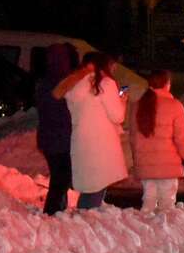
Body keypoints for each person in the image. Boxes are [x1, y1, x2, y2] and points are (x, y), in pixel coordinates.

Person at [52, 52, 129, 209]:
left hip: (81, 141)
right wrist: (122, 101)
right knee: (97, 186)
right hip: (102, 143)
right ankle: (86, 218)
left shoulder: (74, 84)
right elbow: (117, 116)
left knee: (90, 186)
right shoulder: (105, 83)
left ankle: (84, 216)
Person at [131, 69, 184, 212]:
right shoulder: (175, 106)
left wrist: (138, 159)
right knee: (167, 206)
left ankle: (146, 224)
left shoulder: (137, 106)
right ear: (166, 84)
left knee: (148, 203)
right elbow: (181, 138)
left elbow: (133, 138)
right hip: (168, 166)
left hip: (146, 164)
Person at [34, 42, 79, 214]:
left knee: (60, 179)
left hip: (50, 137)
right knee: (61, 180)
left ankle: (57, 211)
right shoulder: (59, 82)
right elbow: (60, 111)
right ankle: (52, 213)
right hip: (58, 138)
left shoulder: (46, 81)